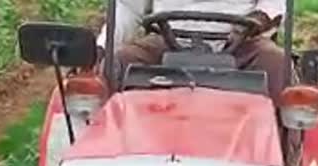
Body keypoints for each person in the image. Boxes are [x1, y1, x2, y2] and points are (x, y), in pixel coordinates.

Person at [96, 0, 288, 103]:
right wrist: (102, 48)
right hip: (168, 37)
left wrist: (257, 20)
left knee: (277, 63)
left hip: (240, 40)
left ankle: (286, 163)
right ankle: (107, 153)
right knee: (119, 62)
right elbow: (129, 8)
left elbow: (274, 6)